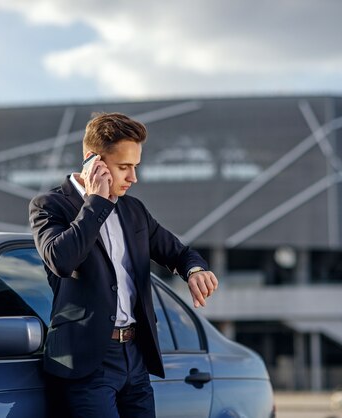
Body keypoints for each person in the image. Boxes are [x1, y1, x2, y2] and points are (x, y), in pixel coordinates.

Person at [29, 112, 218, 418]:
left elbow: (179, 252)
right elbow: (61, 260)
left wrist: (195, 271)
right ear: (94, 162)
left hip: (135, 357)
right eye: (124, 167)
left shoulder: (134, 210)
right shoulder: (50, 205)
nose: (133, 178)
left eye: (135, 167)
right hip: (86, 363)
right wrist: (96, 203)